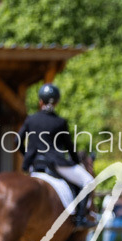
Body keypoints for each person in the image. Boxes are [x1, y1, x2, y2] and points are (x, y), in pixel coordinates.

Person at [16, 83, 96, 227]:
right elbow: (69, 147)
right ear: (57, 102)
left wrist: (28, 157)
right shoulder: (60, 122)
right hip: (56, 163)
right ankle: (80, 219)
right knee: (88, 181)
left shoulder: (31, 119)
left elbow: (17, 141)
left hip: (36, 164)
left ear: (40, 101)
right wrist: (76, 161)